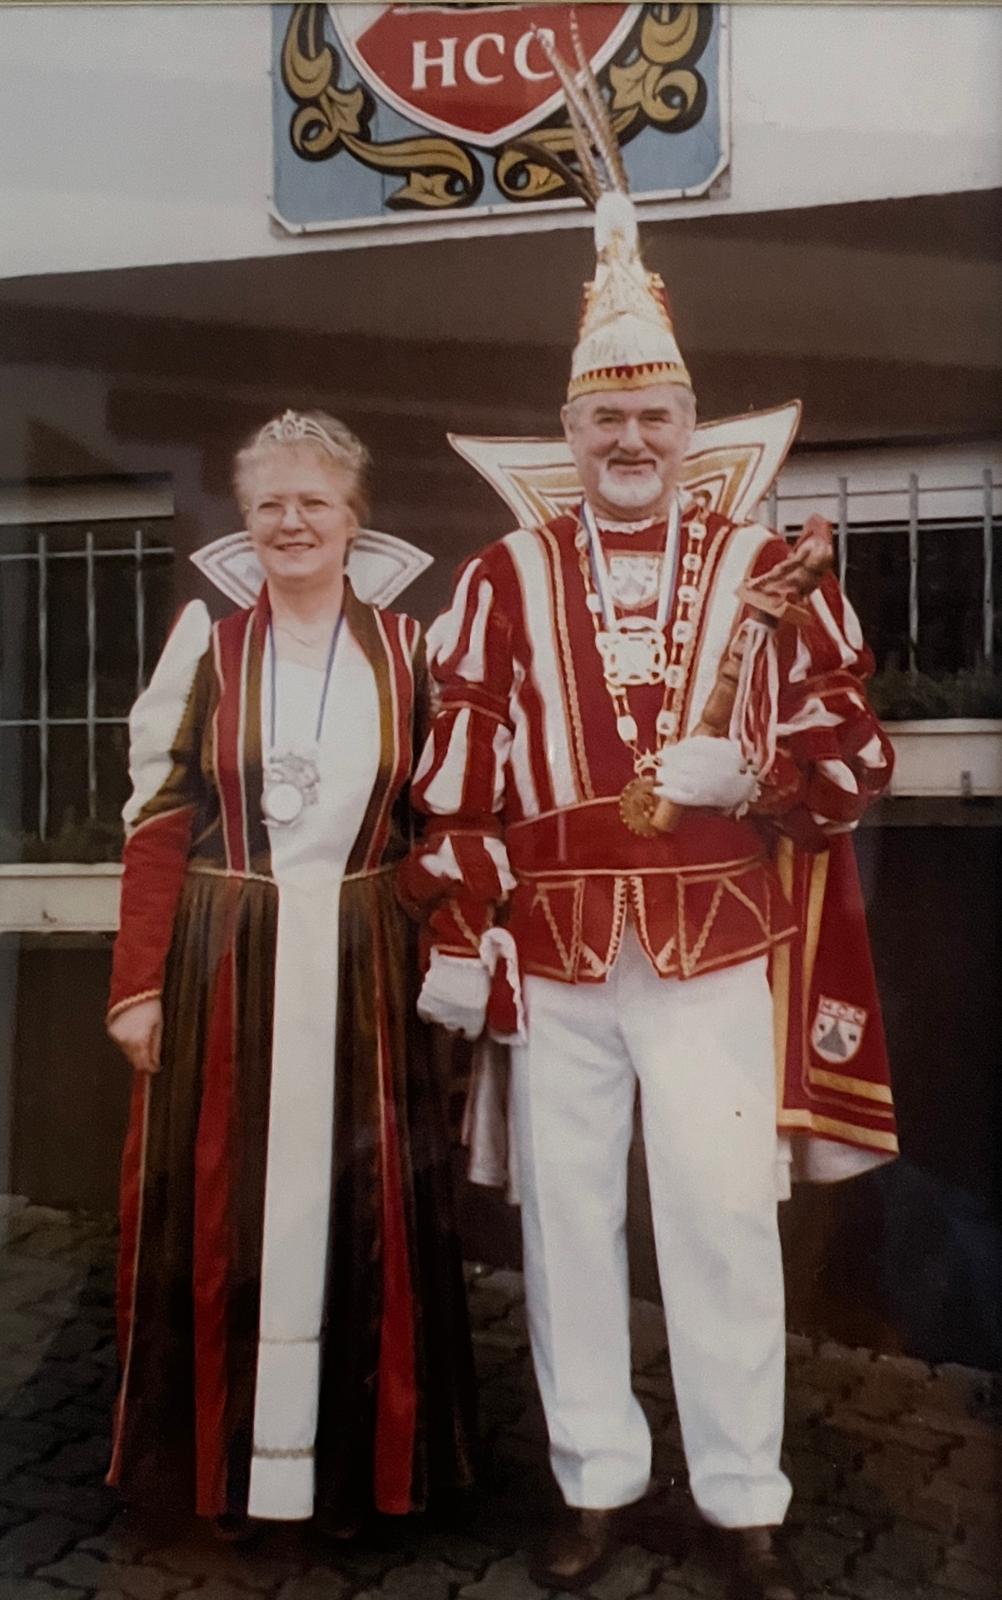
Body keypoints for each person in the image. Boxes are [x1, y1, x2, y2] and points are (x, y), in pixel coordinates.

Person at [401, 184, 896, 1599]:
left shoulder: (773, 566)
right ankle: (594, 1485)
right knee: (567, 1227)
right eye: (604, 418)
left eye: (654, 417)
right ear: (568, 435)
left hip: (716, 945)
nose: (630, 441)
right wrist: (463, 921)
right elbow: (458, 769)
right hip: (558, 952)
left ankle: (744, 1502)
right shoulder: (500, 575)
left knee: (722, 1219)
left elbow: (855, 750)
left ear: (690, 429)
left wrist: (759, 770)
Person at [105, 409, 476, 1538]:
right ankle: (223, 1475)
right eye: (269, 503)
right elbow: (158, 820)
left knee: (365, 1209)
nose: (291, 522)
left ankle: (357, 1477)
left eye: (314, 501)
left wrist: (439, 933)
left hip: (368, 967)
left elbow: (446, 820)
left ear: (356, 520)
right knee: (228, 1205)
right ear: (245, 521)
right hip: (226, 964)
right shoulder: (206, 647)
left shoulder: (414, 652)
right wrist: (137, 983)